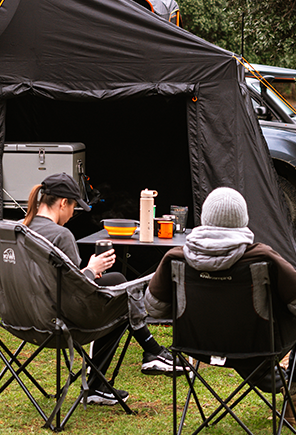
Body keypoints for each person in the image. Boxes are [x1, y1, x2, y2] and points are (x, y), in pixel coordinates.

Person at [145, 187, 296, 426]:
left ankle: (271, 379)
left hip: (196, 346)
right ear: (244, 220)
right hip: (258, 345)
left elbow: (155, 309)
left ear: (204, 218)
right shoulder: (263, 257)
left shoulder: (176, 258)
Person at [22, 172, 189, 406]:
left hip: (22, 319)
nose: (72, 215)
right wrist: (91, 269)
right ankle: (148, 353)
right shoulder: (61, 235)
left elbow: (45, 282)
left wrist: (89, 272)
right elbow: (76, 290)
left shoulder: (18, 230)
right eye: (73, 208)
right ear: (62, 203)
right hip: (58, 322)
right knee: (119, 293)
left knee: (115, 284)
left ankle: (147, 355)